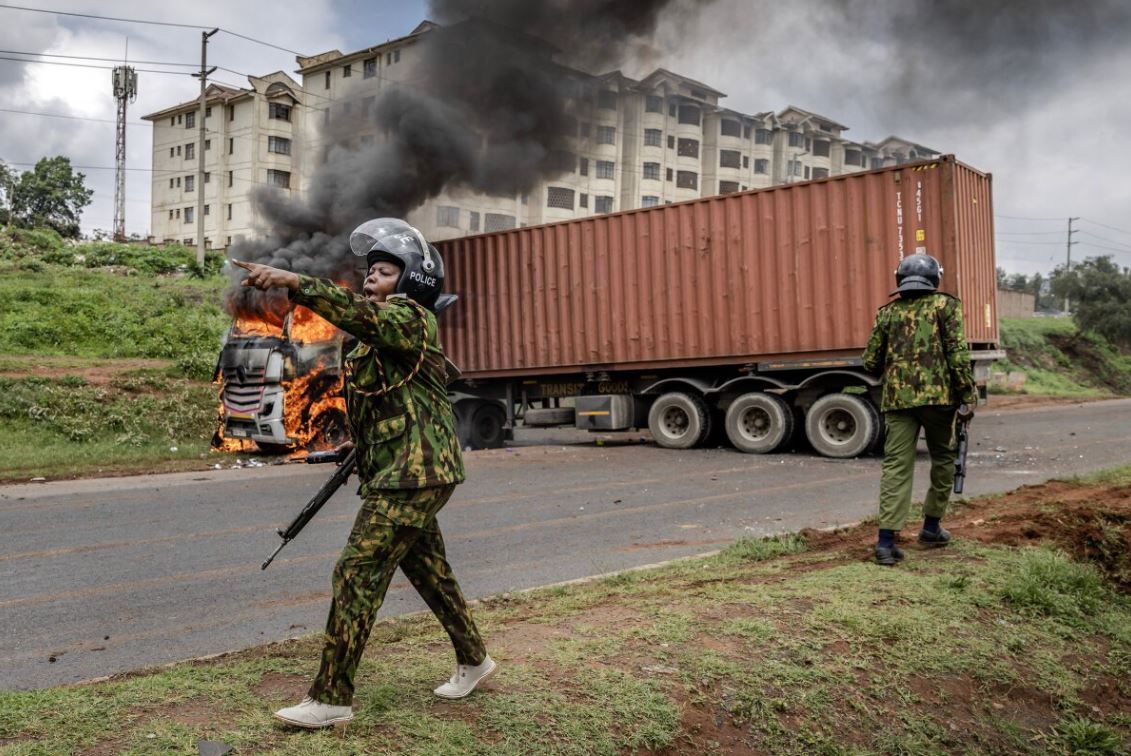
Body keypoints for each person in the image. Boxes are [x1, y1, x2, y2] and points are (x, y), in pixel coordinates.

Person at [234, 218, 496, 730]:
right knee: (430, 572)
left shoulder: (411, 318)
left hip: (413, 475)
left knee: (356, 572)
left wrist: (295, 282)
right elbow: (389, 402)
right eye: (369, 270)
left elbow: (359, 315)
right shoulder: (376, 338)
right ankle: (475, 659)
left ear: (413, 280)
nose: (371, 277)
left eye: (384, 270)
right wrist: (358, 443)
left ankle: (331, 698)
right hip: (405, 469)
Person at [861, 253, 977, 566]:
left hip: (898, 402)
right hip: (940, 401)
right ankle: (931, 528)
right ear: (934, 279)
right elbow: (957, 354)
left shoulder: (887, 313)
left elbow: (870, 361)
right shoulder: (946, 306)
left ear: (900, 279)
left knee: (896, 466)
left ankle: (886, 543)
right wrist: (967, 396)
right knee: (944, 459)